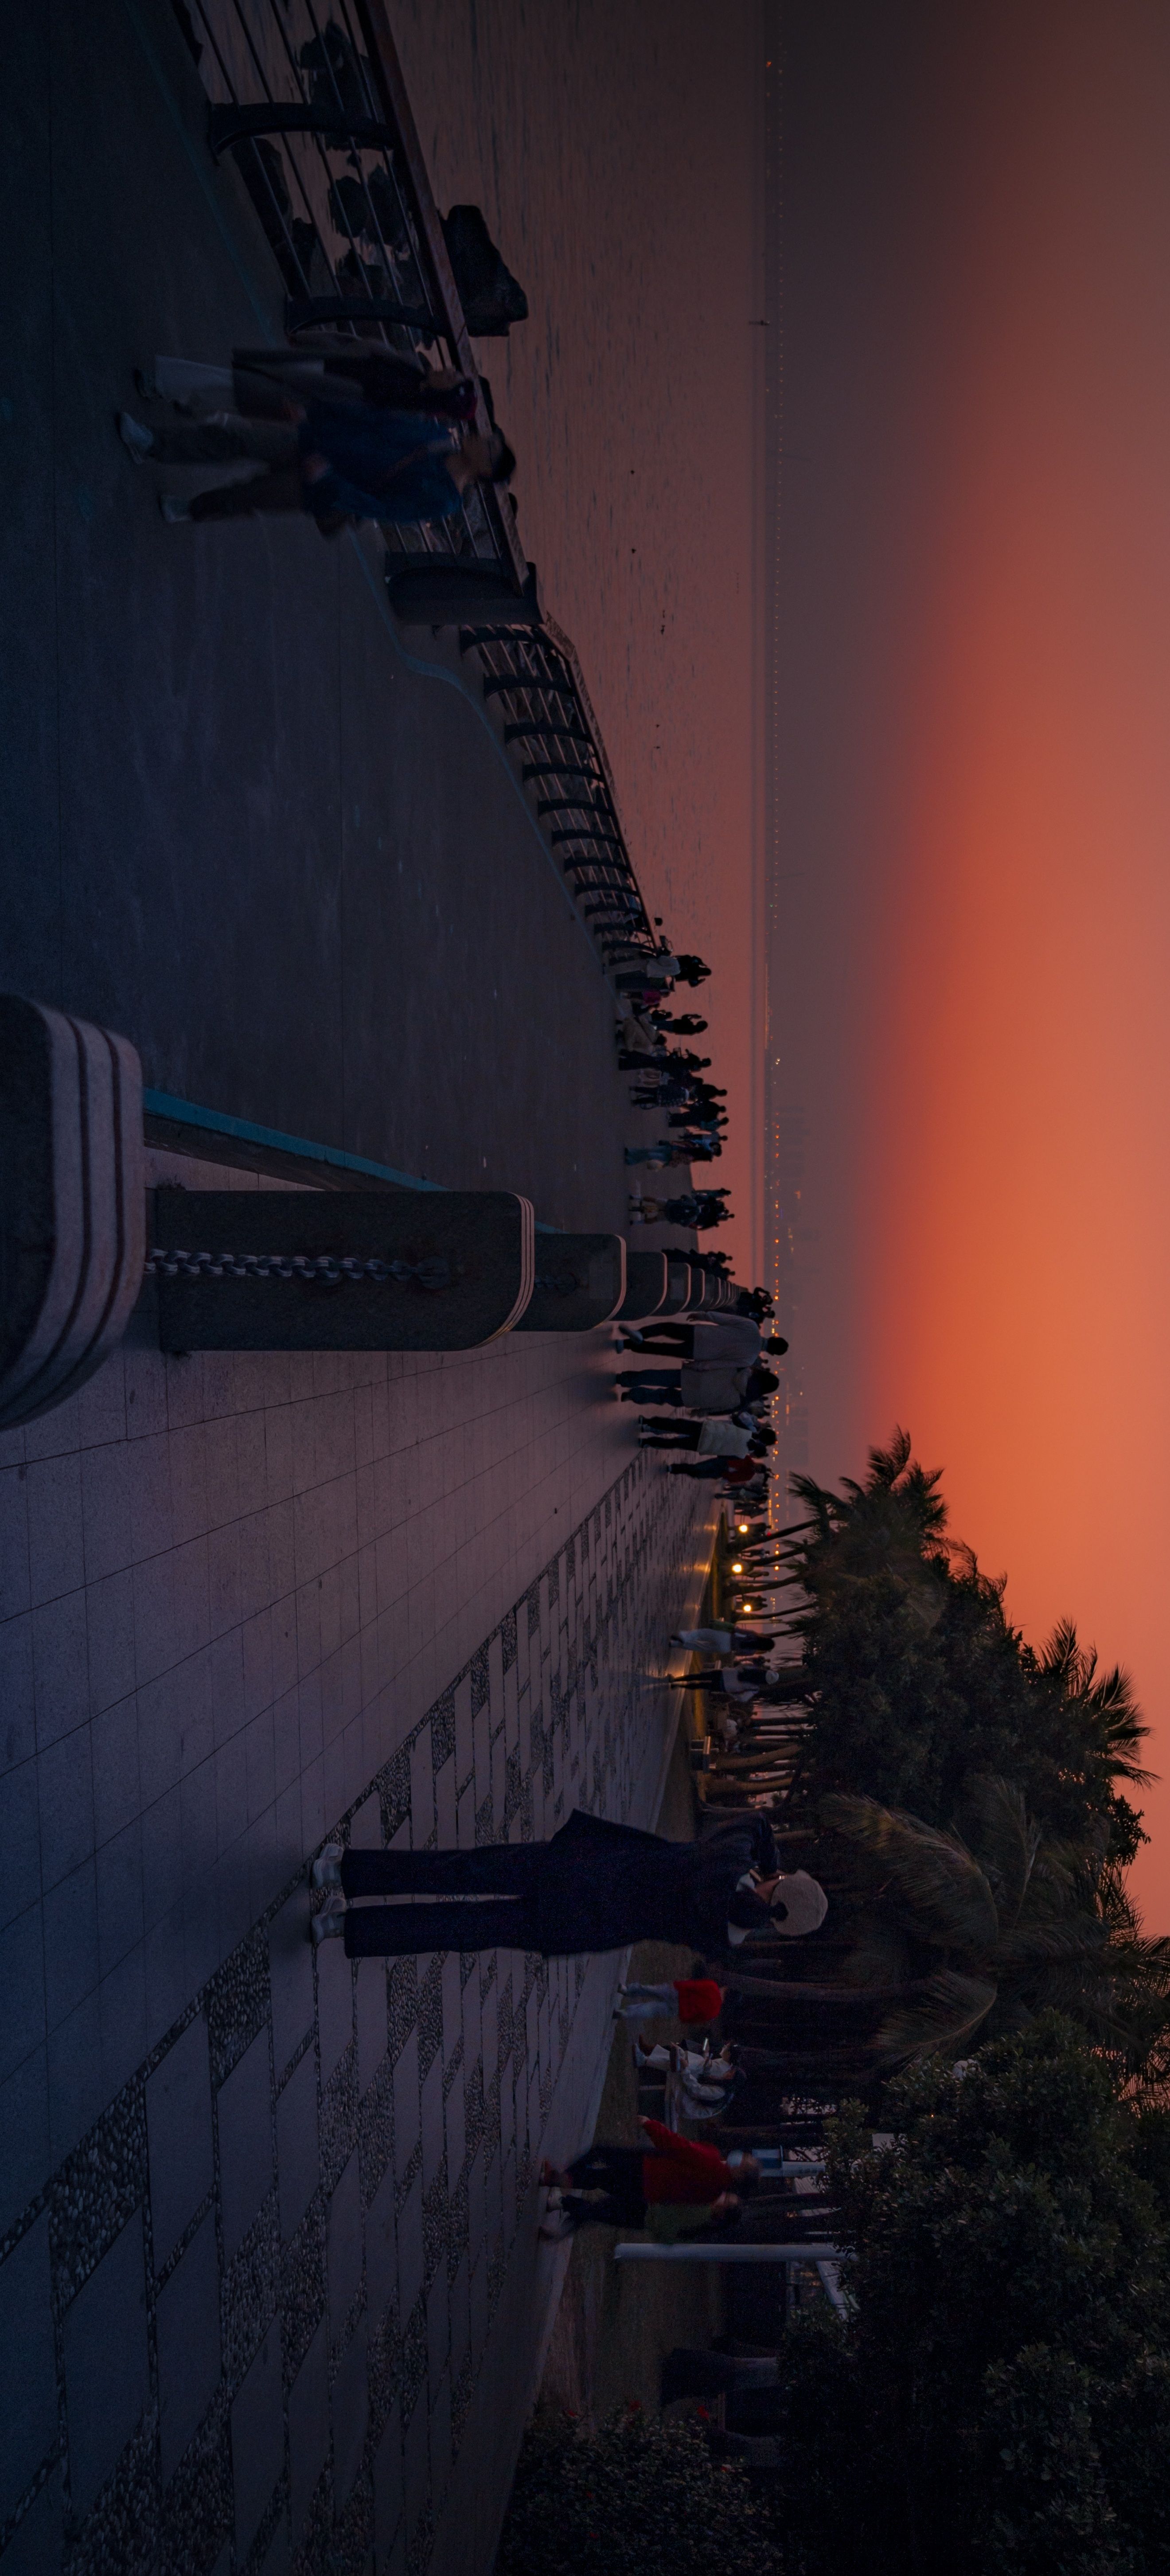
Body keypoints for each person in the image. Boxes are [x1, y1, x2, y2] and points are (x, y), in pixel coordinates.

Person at [308, 1808, 827, 1959]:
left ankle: (344, 1871)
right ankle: (342, 1928)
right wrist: (770, 1886)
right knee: (462, 1929)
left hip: (577, 1869)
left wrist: (772, 1864)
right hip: (578, 1924)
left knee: (460, 1869)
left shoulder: (727, 1861)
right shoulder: (724, 1938)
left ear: (780, 1882)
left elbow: (757, 1823)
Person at [118, 395, 515, 528]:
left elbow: (381, 508)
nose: (483, 438)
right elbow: (373, 420)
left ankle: (191, 509)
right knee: (237, 438)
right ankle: (151, 444)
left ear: (485, 470)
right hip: (317, 441)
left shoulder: (444, 499)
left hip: (321, 487)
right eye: (490, 437)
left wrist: (329, 481)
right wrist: (316, 414)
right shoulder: (437, 437)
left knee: (247, 497)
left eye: (490, 446)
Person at [538, 2119, 759, 2240]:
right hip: (648, 2195)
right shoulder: (711, 2195)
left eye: (743, 2162)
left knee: (602, 2158)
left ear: (740, 2175)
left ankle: (561, 2179)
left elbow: (681, 2147)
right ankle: (561, 2192)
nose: (740, 2158)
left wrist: (651, 2125)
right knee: (602, 2189)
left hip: (648, 2171)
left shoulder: (711, 2162)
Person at [615, 1971, 726, 2026]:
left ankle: (628, 1990)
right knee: (652, 2010)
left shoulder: (713, 1987)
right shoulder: (715, 2012)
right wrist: (684, 2018)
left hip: (678, 1993)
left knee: (652, 1991)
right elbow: (697, 2019)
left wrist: (678, 1985)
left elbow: (694, 1985)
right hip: (680, 2009)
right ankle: (626, 2013)